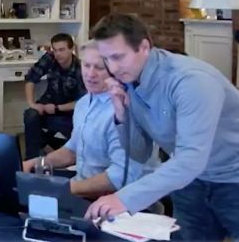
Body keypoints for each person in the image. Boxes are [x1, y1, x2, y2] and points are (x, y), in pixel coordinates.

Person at [85, 13, 239, 241]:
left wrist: (124, 198)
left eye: (118, 57)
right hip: (190, 181)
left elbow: (191, 158)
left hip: (232, 177)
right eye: (107, 59)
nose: (112, 68)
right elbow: (139, 152)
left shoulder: (191, 81)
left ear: (144, 47)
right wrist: (122, 115)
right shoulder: (129, 80)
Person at [23, 40, 146, 199]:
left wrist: (65, 189)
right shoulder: (83, 103)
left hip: (113, 201)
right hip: (81, 188)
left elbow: (120, 176)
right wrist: (35, 163)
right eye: (86, 66)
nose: (90, 74)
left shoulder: (123, 109)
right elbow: (73, 151)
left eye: (99, 68)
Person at [22, 33, 85, 160]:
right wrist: (32, 104)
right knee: (30, 115)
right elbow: (30, 78)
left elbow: (83, 101)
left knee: (78, 128)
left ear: (71, 49)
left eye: (62, 50)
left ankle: (57, 151)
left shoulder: (80, 68)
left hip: (68, 111)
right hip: (48, 103)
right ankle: (32, 160)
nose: (58, 54)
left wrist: (57, 108)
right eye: (55, 50)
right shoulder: (50, 58)